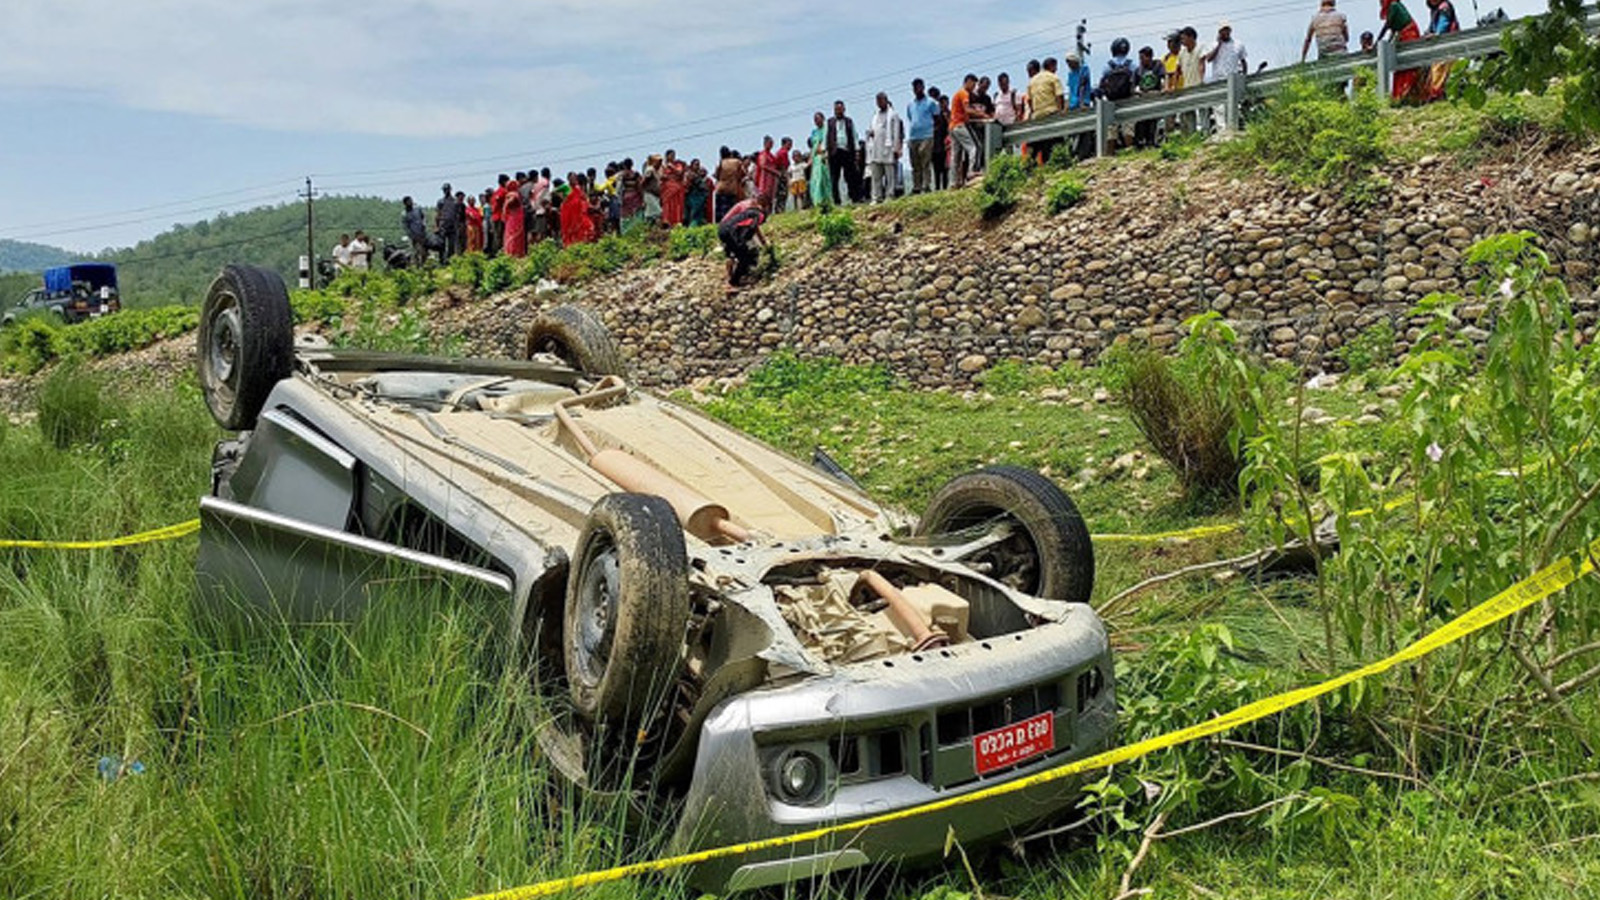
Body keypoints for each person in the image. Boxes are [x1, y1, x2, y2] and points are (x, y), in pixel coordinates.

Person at [718, 198, 768, 293]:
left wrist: (764, 242)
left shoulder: (749, 211)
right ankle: (734, 282)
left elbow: (751, 226)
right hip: (732, 230)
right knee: (747, 257)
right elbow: (751, 226)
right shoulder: (758, 214)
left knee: (732, 254)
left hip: (723, 228)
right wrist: (743, 242)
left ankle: (730, 279)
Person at [1378, 0, 1423, 100]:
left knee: (1408, 65)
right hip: (1403, 36)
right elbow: (1393, 31)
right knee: (1399, 65)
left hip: (1409, 34)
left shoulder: (1394, 5)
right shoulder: (1393, 7)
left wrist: (1378, 41)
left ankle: (1408, 94)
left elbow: (1388, 25)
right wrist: (1386, 44)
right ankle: (1401, 96)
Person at [865, 91, 905, 204]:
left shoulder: (893, 115)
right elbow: (872, 130)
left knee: (890, 175)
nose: (879, 103)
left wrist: (896, 149)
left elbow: (896, 133)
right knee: (876, 176)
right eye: (877, 101)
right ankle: (876, 197)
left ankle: (889, 195)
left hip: (888, 148)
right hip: (876, 149)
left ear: (886, 100)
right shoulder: (875, 116)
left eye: (881, 100)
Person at [950, 73, 989, 185]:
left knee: (956, 155)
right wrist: (982, 114)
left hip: (953, 126)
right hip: (960, 124)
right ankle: (972, 172)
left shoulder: (957, 94)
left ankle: (954, 182)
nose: (974, 87)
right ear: (968, 81)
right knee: (975, 147)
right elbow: (967, 110)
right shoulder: (964, 93)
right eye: (973, 84)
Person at [1026, 59, 1065, 164]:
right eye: (1055, 67)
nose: (1056, 69)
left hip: (1037, 116)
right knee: (1056, 142)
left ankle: (1028, 165)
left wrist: (1034, 110)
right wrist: (1061, 111)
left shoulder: (1032, 81)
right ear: (1051, 66)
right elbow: (1059, 96)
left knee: (1037, 142)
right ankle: (1056, 164)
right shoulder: (1053, 77)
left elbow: (1029, 100)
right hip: (1051, 113)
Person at [906, 79, 939, 194]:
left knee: (925, 162)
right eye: (915, 88)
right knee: (915, 163)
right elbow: (911, 118)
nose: (917, 89)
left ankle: (926, 185)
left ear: (923, 87)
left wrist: (931, 130)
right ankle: (916, 186)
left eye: (919, 87)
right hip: (913, 137)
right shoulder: (910, 105)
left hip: (927, 136)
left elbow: (937, 118)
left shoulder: (931, 102)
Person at [824, 101, 859, 206]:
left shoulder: (849, 121)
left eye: (840, 109)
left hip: (847, 151)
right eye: (836, 109)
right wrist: (825, 151)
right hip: (834, 152)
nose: (838, 111)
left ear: (844, 109)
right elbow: (826, 137)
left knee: (850, 176)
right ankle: (836, 201)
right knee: (834, 178)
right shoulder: (829, 122)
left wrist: (857, 151)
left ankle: (853, 198)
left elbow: (855, 136)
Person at [1133, 46, 1165, 148]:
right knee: (1142, 123)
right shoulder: (1138, 70)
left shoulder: (1158, 65)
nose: (1141, 60)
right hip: (1143, 99)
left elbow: (1164, 78)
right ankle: (1142, 143)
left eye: (1142, 58)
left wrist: (1161, 91)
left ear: (1149, 57)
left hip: (1155, 98)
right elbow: (1133, 86)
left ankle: (1152, 142)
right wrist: (1138, 92)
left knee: (1153, 122)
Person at [561, 175, 597, 247]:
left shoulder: (579, 191)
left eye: (575, 178)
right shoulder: (568, 189)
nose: (574, 180)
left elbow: (584, 202)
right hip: (572, 215)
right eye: (572, 179)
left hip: (580, 214)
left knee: (585, 230)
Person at [807, 114, 833, 208]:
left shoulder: (827, 130)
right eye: (815, 119)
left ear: (823, 119)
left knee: (824, 178)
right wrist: (810, 159)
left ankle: (827, 200)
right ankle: (817, 201)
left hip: (824, 156)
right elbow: (813, 146)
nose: (817, 121)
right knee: (815, 180)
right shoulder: (814, 132)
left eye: (818, 119)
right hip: (816, 158)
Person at [714, 146, 745, 222]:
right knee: (730, 210)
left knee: (719, 209)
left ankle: (718, 225)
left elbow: (716, 175)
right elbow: (743, 173)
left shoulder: (720, 163)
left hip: (720, 188)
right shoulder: (737, 162)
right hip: (732, 188)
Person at [501, 176, 527, 258]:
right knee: (515, 236)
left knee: (512, 235)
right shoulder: (515, 194)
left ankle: (511, 253)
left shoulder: (512, 194)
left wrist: (505, 207)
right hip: (515, 218)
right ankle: (516, 253)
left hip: (513, 218)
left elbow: (512, 199)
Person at [930, 89, 951, 190]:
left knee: (945, 169)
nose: (944, 105)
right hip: (935, 145)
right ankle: (937, 188)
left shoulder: (950, 115)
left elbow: (950, 129)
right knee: (936, 169)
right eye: (942, 103)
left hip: (945, 145)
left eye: (946, 103)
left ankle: (945, 187)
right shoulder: (935, 116)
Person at [755, 136, 783, 213]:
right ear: (765, 144)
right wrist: (775, 171)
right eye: (770, 143)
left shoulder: (771, 155)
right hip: (764, 178)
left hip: (771, 179)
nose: (771, 145)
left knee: (770, 199)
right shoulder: (763, 154)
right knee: (763, 198)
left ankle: (769, 213)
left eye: (772, 144)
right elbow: (762, 165)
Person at [435, 183, 461, 263]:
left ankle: (450, 260)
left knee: (451, 245)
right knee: (441, 244)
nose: (446, 191)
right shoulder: (440, 202)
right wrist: (436, 226)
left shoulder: (455, 202)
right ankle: (441, 260)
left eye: (447, 189)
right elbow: (437, 214)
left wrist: (458, 225)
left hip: (452, 226)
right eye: (444, 190)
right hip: (443, 225)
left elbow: (458, 215)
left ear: (450, 189)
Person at [661, 149, 687, 227]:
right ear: (667, 156)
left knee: (676, 205)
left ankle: (677, 221)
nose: (672, 157)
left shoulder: (677, 164)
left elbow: (679, 172)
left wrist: (671, 167)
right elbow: (661, 176)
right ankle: (666, 221)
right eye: (671, 155)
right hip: (666, 187)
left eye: (673, 155)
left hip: (676, 187)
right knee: (667, 204)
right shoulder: (663, 166)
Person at [401, 196, 427, 266]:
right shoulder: (404, 214)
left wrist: (424, 225)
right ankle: (417, 265)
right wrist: (409, 234)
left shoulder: (417, 209)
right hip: (413, 235)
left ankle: (424, 264)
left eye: (411, 201)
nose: (410, 203)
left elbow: (423, 217)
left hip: (421, 233)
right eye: (408, 202)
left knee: (424, 250)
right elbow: (405, 226)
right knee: (415, 251)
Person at [685, 158, 710, 227]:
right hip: (693, 196)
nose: (698, 166)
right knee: (694, 213)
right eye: (696, 165)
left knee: (698, 213)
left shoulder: (696, 175)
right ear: (692, 165)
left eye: (698, 165)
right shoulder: (691, 174)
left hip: (698, 197)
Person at [773, 138, 794, 212]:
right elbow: (783, 166)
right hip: (781, 175)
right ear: (784, 144)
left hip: (778, 175)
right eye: (789, 144)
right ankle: (780, 210)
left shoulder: (779, 152)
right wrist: (787, 177)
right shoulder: (783, 152)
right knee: (782, 194)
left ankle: (779, 209)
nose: (790, 146)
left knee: (780, 194)